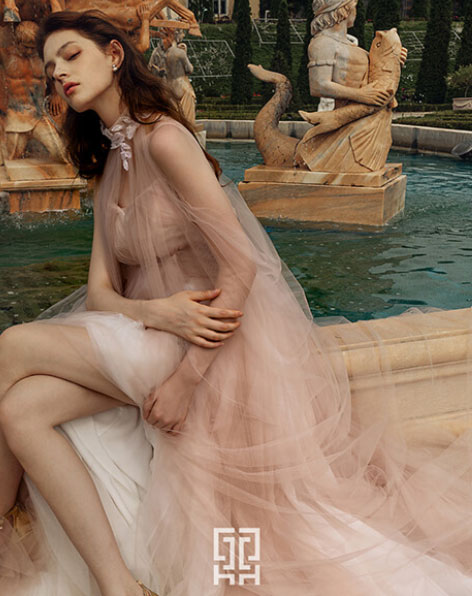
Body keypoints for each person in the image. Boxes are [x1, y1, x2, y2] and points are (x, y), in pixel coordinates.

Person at [1, 8, 472, 596]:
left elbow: (242, 264)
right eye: (51, 68)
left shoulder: (165, 139)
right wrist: (155, 312)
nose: (59, 74)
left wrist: (187, 379)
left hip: (204, 350)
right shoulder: (109, 161)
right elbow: (101, 291)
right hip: (155, 333)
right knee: (20, 411)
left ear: (114, 55)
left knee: (12, 345)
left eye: (71, 56)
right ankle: (119, 584)